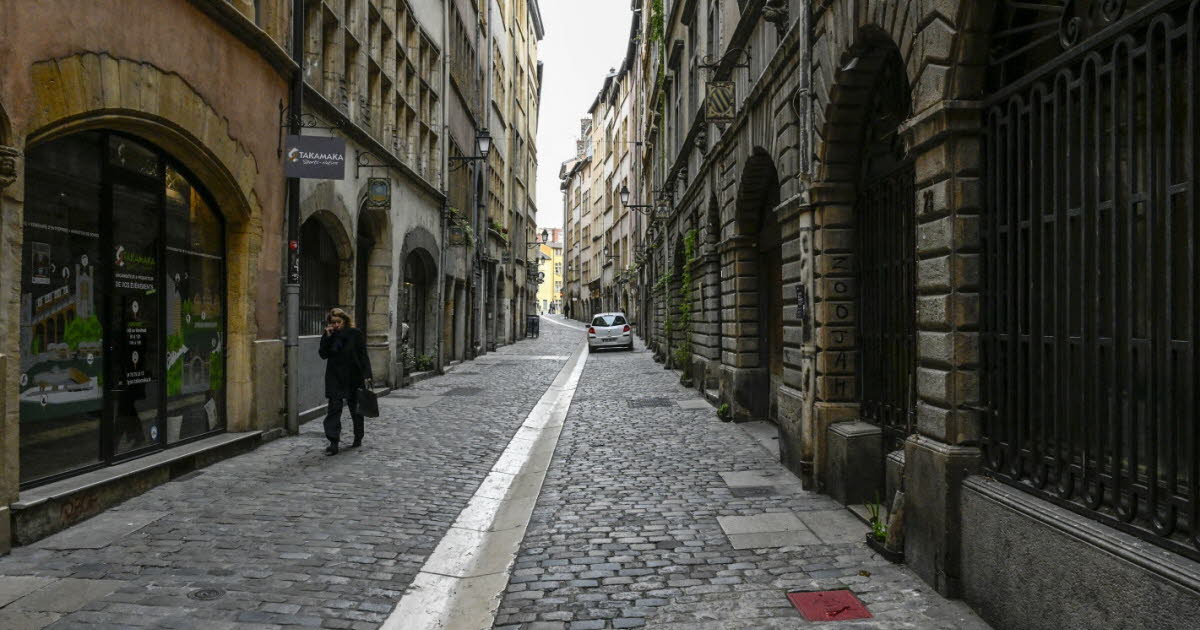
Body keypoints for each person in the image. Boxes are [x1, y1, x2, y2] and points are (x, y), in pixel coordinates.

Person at [318, 308, 372, 455]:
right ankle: (333, 442)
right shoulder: (329, 335)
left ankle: (358, 436)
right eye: (332, 322)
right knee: (334, 410)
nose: (335, 325)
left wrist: (367, 375)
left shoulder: (355, 334)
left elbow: (363, 355)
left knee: (355, 410)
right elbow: (323, 354)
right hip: (335, 376)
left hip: (353, 376)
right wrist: (327, 337)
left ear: (345, 321)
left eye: (338, 322)